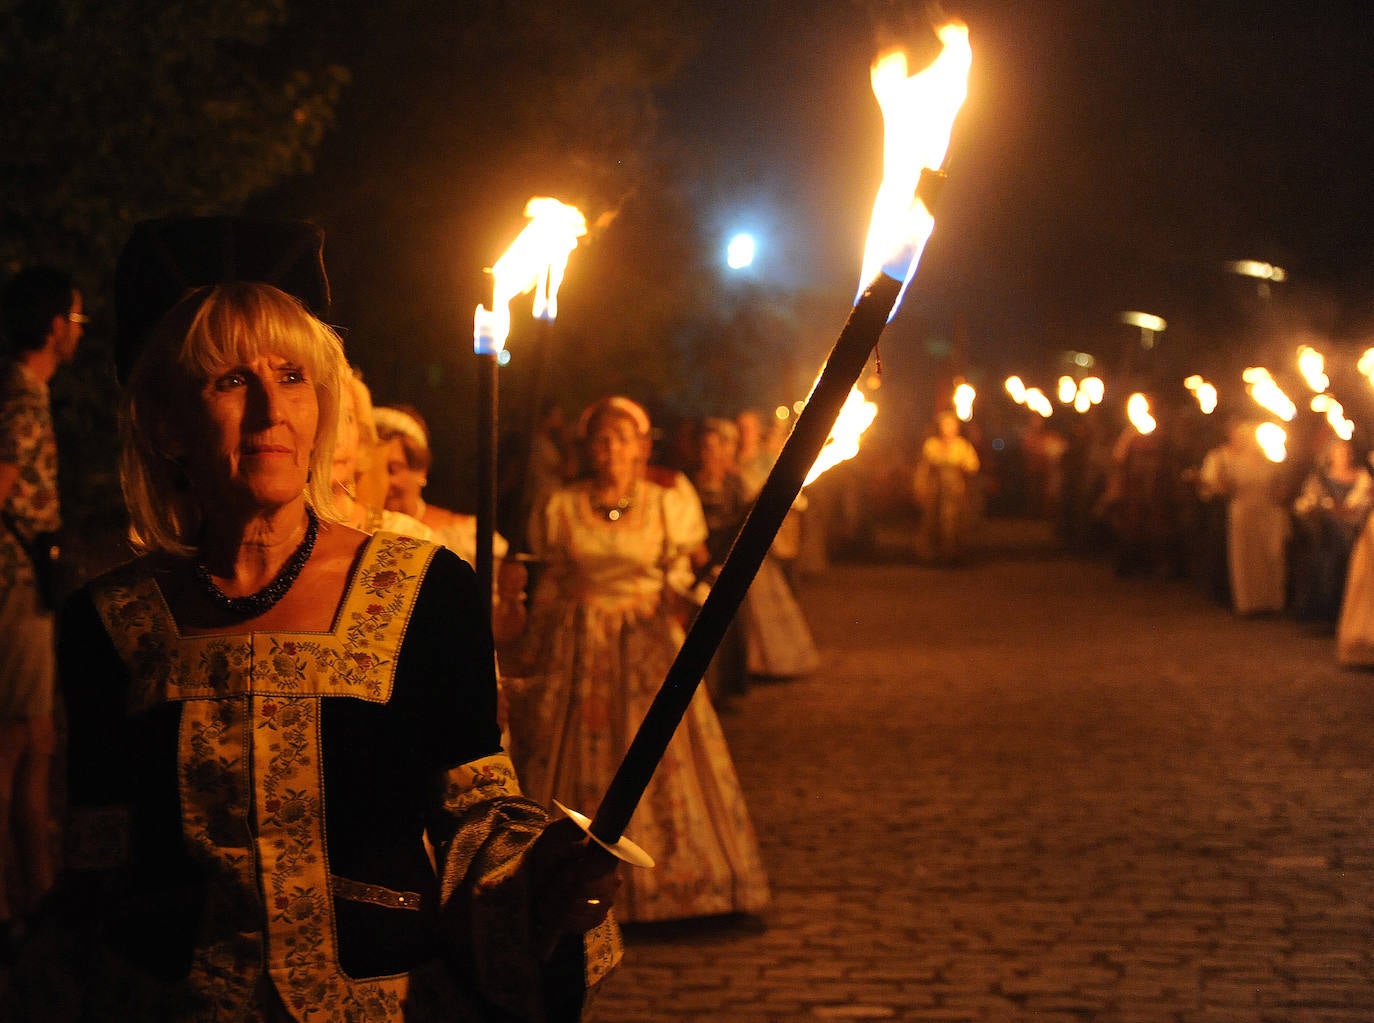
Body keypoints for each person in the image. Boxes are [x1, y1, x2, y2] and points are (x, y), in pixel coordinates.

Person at [4, 217, 620, 1021]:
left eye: (291, 376)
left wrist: (538, 879)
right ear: (164, 422)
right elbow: (98, 869)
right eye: (228, 382)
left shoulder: (424, 591)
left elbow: (476, 814)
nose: (270, 412)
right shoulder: (110, 622)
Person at [505, 396, 771, 924]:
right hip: (579, 653)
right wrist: (532, 653)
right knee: (577, 761)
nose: (610, 448)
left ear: (641, 447)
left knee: (657, 758)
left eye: (622, 438)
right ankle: (565, 884)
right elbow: (553, 585)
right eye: (601, 439)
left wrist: (695, 595)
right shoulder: (560, 506)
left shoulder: (666, 501)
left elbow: (689, 570)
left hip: (647, 648)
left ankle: (678, 885)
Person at [0, 266, 84, 958]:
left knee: (37, 741)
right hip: (15, 592)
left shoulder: (25, 394)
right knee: (17, 740)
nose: (79, 330)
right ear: (54, 327)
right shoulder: (21, 399)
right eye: (77, 318)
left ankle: (37, 893)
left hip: (28, 591)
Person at [1197, 420, 1291, 616]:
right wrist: (1222, 484)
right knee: (1246, 559)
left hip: (1268, 512)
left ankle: (1273, 602)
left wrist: (1282, 488)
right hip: (1243, 512)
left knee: (1272, 557)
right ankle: (1250, 604)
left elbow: (1280, 489)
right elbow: (1220, 489)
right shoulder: (1232, 462)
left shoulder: (1270, 460)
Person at [1290, 434, 1371, 626]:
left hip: (1352, 532)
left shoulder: (1362, 476)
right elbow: (1306, 503)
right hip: (1325, 536)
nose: (1345, 456)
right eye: (1340, 452)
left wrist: (1342, 509)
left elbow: (1358, 505)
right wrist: (1317, 507)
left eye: (1348, 452)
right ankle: (1322, 614)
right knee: (1324, 567)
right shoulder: (1320, 478)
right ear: (1331, 455)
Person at [913, 410, 981, 564]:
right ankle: (931, 555)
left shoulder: (962, 445)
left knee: (952, 520)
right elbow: (924, 468)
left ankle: (952, 554)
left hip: (955, 488)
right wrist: (920, 486)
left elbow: (973, 466)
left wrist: (963, 467)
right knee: (932, 520)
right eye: (945, 425)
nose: (948, 428)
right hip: (935, 488)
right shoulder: (931, 444)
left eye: (951, 425)